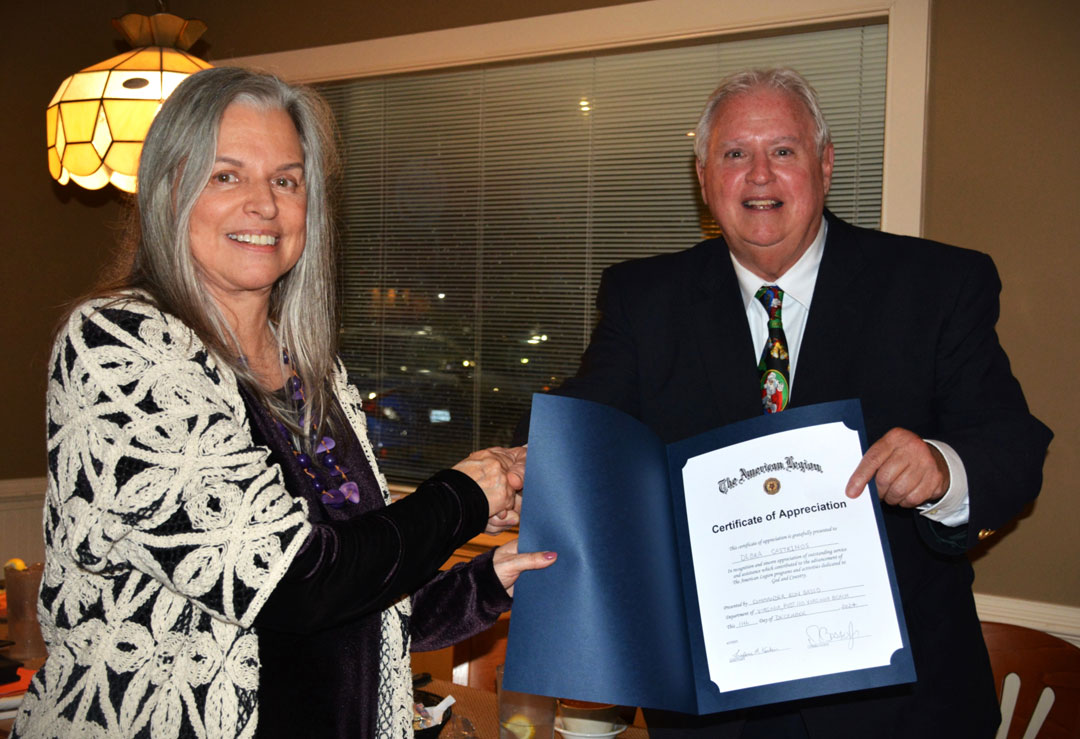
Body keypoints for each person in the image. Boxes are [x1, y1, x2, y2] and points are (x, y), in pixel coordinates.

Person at [13, 67, 555, 739]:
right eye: (227, 175)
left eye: (287, 180)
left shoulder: (316, 374)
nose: (264, 205)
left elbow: (360, 602)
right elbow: (289, 582)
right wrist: (463, 496)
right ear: (169, 192)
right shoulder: (118, 345)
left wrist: (489, 582)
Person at [545, 68, 1052, 737]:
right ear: (704, 178)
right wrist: (532, 470)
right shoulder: (643, 298)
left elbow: (1012, 444)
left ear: (825, 164)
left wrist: (941, 467)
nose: (759, 175)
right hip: (715, 707)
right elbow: (590, 439)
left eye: (782, 151)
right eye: (734, 154)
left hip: (905, 708)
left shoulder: (936, 285)